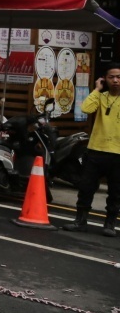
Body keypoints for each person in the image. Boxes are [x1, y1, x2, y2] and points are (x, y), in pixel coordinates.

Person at [64, 63, 120, 236]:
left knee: (116, 192)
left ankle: (110, 224)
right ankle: (80, 221)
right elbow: (86, 108)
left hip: (118, 154)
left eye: (119, 77)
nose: (116, 80)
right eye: (111, 77)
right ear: (105, 79)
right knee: (86, 188)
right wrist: (97, 89)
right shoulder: (101, 97)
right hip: (96, 150)